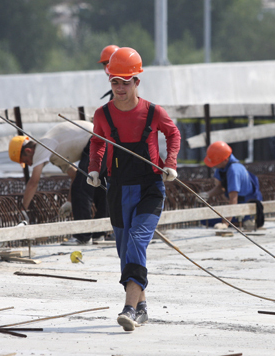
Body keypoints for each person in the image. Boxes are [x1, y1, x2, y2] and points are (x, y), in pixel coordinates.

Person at [87, 47, 181, 331]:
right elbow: (97, 142)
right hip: (117, 189)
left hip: (150, 187)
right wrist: (94, 168)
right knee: (125, 251)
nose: (120, 88)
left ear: (137, 81)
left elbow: (173, 133)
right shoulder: (103, 114)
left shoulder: (153, 112)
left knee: (137, 242)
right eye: (115, 82)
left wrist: (171, 163)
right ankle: (141, 306)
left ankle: (129, 309)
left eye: (125, 82)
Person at [8, 121, 108, 245]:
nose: (30, 164)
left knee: (82, 187)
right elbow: (74, 176)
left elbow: (34, 182)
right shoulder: (54, 153)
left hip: (96, 140)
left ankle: (83, 236)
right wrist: (69, 202)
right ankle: (99, 235)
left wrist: (23, 210)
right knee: (100, 190)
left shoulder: (42, 146)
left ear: (28, 151)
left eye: (26, 161)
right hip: (102, 139)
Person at [199, 141, 263, 230]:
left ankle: (246, 220)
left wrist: (225, 223)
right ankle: (240, 220)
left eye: (215, 162)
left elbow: (234, 199)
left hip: (246, 207)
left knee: (207, 220)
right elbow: (221, 188)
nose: (214, 165)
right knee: (205, 218)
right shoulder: (222, 166)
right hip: (238, 205)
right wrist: (207, 194)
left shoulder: (234, 170)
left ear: (224, 160)